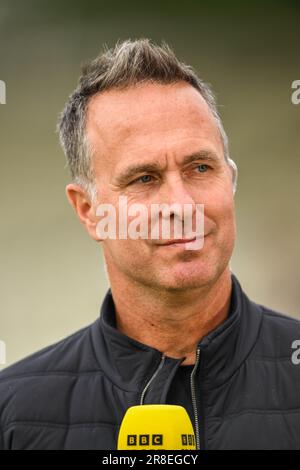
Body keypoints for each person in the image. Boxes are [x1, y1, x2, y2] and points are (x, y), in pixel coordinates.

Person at [0, 39, 300, 450]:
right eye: (144, 178)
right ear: (88, 210)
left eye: (200, 167)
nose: (182, 205)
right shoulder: (14, 416)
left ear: (230, 180)